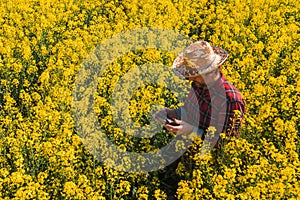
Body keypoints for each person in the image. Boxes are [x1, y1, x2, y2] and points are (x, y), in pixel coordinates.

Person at [154, 40, 246, 144]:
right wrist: (174, 113)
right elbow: (189, 110)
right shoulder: (198, 85)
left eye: (193, 75)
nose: (190, 79)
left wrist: (192, 132)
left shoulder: (230, 100)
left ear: (207, 72)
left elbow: (225, 143)